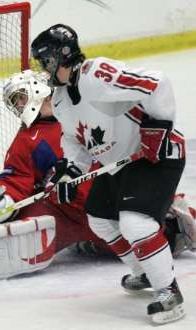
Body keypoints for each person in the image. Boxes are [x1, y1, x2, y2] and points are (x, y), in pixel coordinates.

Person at [0, 70, 196, 288]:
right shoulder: (28, 139)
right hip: (63, 212)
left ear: (39, 89)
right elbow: (14, 184)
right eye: (14, 102)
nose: (19, 106)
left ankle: (175, 222)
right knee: (22, 231)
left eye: (20, 97)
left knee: (151, 236)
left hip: (111, 202)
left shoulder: (83, 110)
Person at [31, 24, 187, 324]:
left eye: (46, 60)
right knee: (100, 220)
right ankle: (145, 272)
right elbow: (74, 140)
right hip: (117, 163)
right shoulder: (62, 99)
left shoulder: (97, 73)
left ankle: (169, 292)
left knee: (135, 223)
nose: (43, 67)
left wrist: (157, 125)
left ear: (62, 56)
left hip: (155, 156)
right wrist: (70, 170)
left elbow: (156, 82)